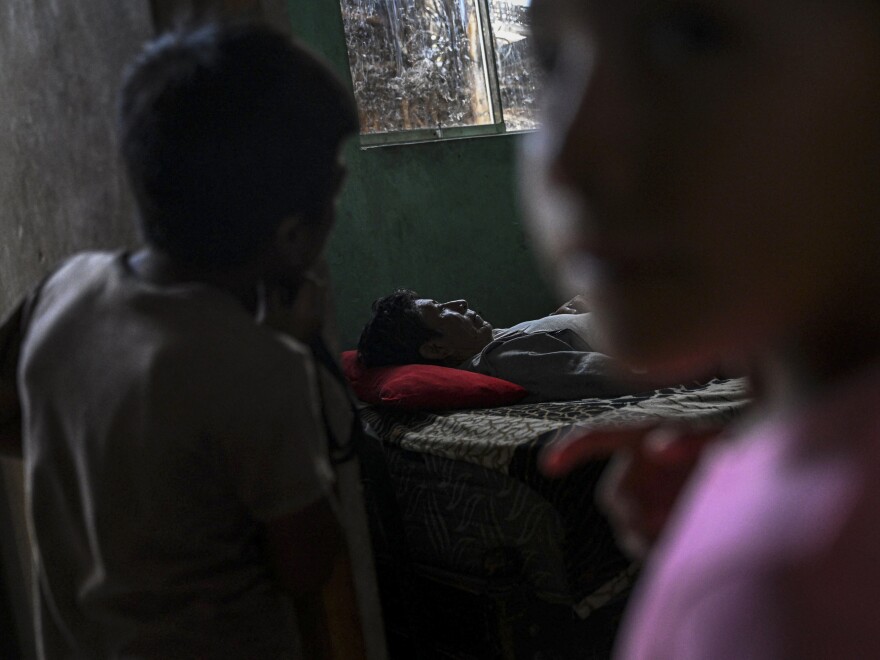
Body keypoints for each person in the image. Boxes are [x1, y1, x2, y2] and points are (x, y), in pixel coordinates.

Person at [523, 0, 880, 658]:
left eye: (692, 34)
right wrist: (746, 487)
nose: (570, 151)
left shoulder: (782, 590)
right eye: (549, 59)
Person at [0, 21, 360, 658]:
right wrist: (297, 355)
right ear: (292, 236)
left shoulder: (64, 289)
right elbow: (307, 566)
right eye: (333, 185)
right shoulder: (261, 368)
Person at [357, 288, 680, 403]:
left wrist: (560, 319)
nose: (460, 302)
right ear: (437, 350)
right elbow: (606, 374)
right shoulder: (500, 358)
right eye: (442, 309)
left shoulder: (496, 342)